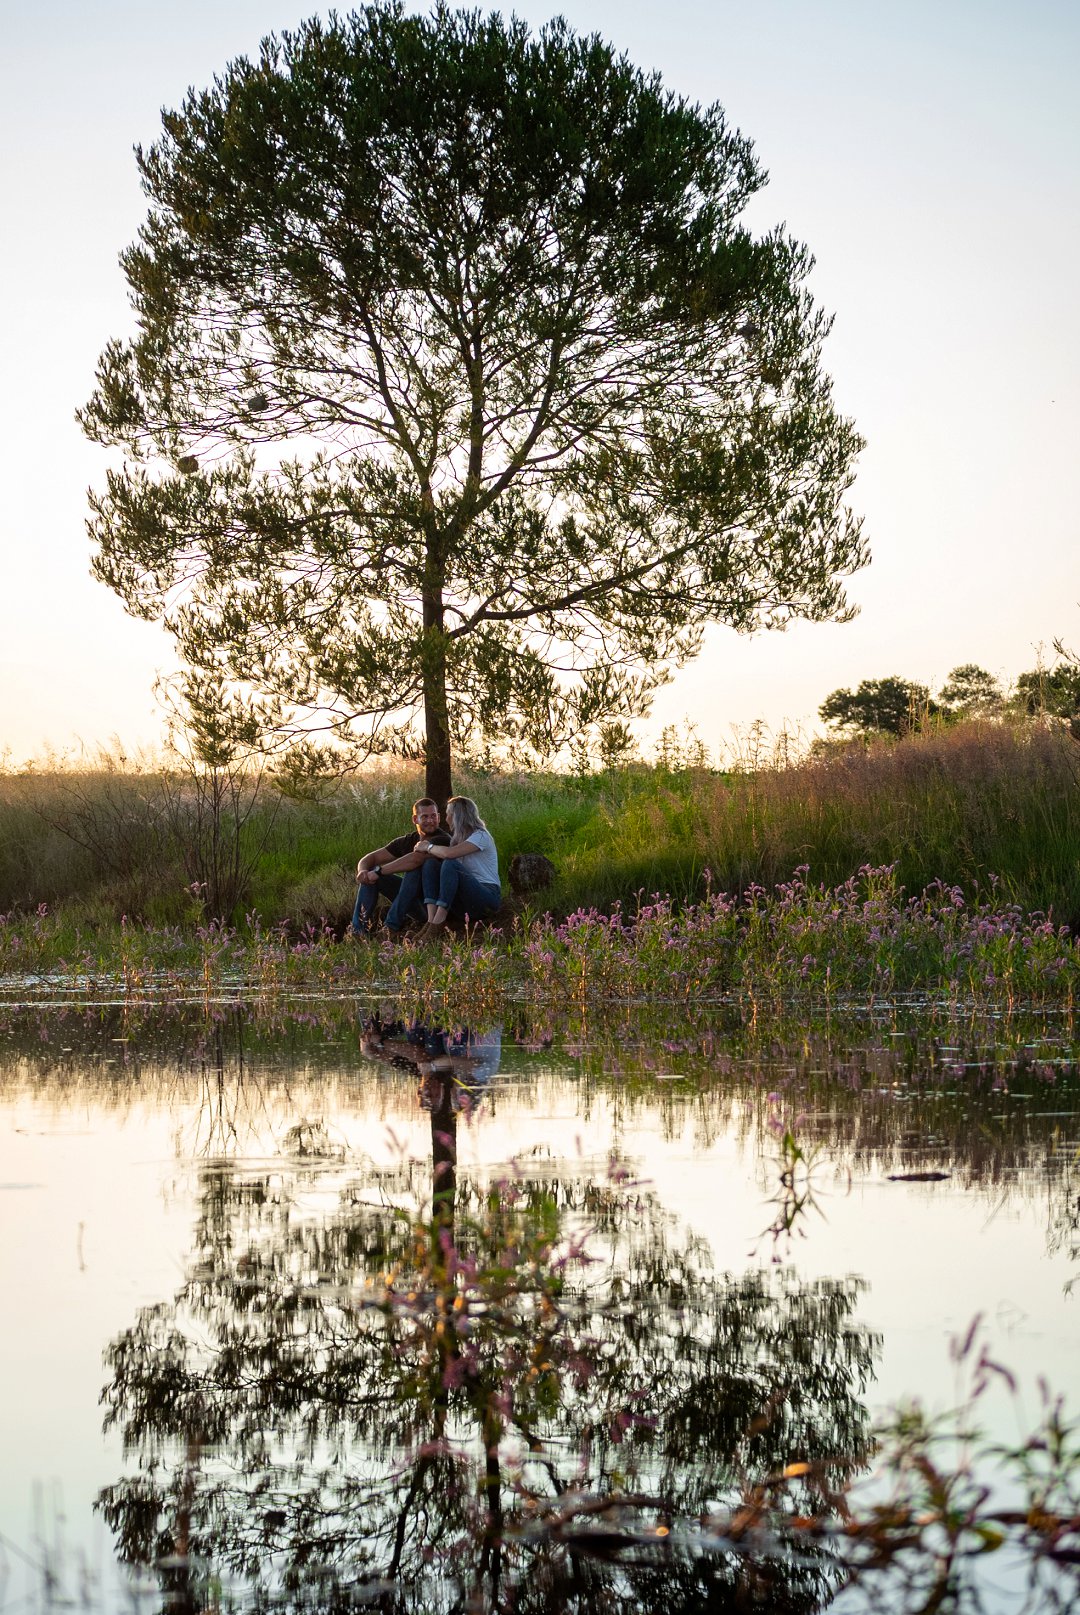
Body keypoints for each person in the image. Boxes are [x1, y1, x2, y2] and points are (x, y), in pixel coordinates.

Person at [350, 797, 451, 939]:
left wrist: (379, 872)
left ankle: (390, 927)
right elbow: (370, 858)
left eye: (433, 816)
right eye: (425, 817)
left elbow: (415, 859)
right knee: (370, 873)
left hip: (431, 908)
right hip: (410, 900)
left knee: (413, 869)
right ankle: (357, 933)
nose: (430, 820)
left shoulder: (442, 839)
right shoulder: (408, 840)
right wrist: (362, 871)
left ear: (439, 817)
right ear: (415, 819)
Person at [413, 795, 501, 941]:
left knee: (450, 862)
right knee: (431, 864)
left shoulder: (481, 836)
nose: (446, 818)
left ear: (456, 816)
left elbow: (449, 854)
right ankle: (431, 920)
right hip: (465, 901)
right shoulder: (457, 840)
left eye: (448, 814)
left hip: (487, 898)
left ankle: (438, 923)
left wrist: (427, 846)